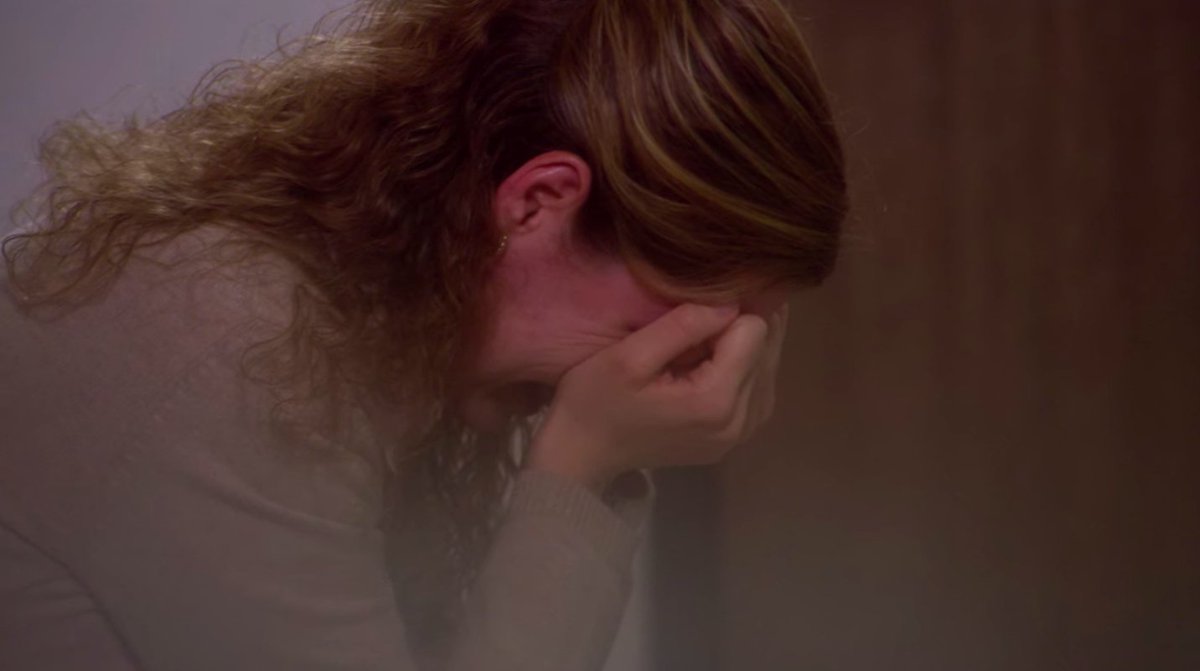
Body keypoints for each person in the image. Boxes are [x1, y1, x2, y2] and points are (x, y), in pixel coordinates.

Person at [0, 0, 845, 669]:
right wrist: (586, 466)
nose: (657, 372)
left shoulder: (386, 329)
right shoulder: (234, 352)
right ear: (537, 203)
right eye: (675, 325)